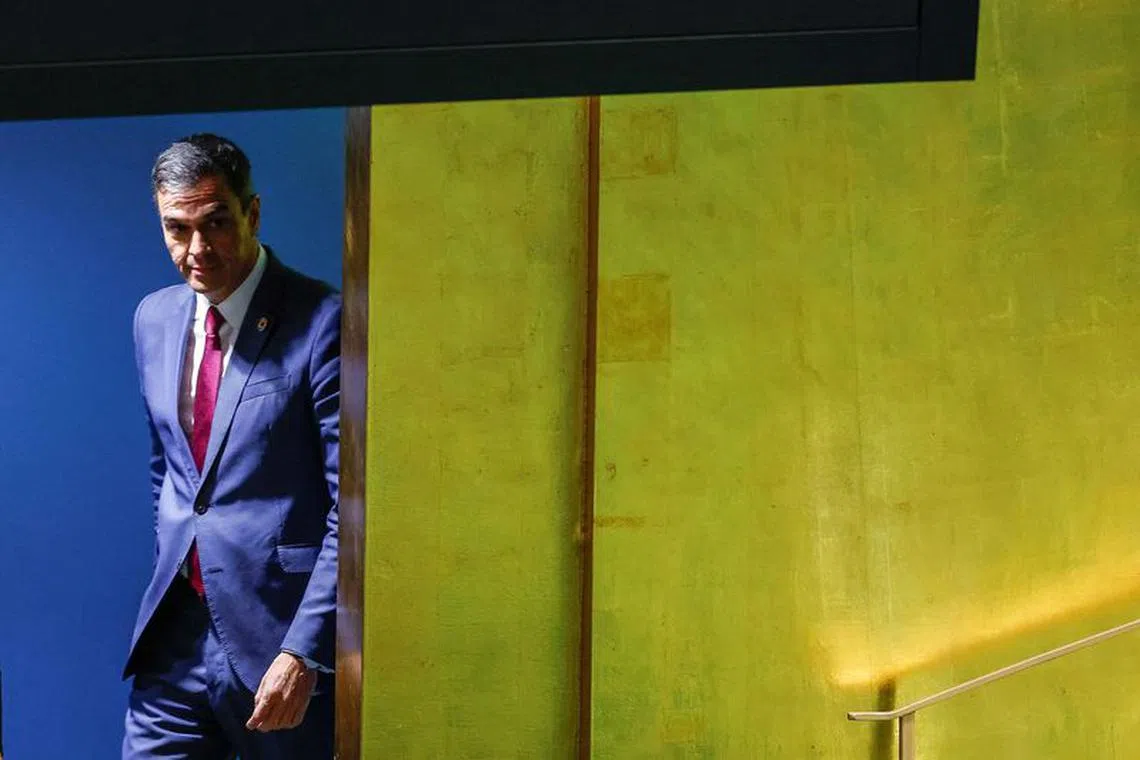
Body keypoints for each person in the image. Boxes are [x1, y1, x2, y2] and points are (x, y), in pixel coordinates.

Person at [121, 134, 339, 759]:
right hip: (174, 636)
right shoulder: (154, 318)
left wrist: (306, 650)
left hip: (279, 639)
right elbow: (171, 469)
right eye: (176, 228)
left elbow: (352, 506)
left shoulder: (324, 320)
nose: (197, 249)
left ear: (253, 213)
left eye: (215, 223)